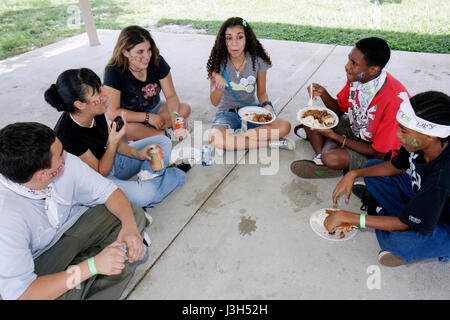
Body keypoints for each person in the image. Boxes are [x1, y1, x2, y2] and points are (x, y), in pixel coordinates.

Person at [0, 122, 148, 299]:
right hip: (38, 263)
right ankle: (96, 272)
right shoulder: (6, 217)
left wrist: (130, 227)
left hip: (72, 230)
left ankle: (93, 271)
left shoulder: (65, 162)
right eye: (60, 155)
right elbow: (22, 294)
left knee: (131, 213)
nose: (66, 155)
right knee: (69, 288)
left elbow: (109, 192)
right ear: (42, 175)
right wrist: (91, 267)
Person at [327, 91, 450, 267]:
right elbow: (395, 167)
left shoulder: (442, 177)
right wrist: (354, 173)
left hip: (444, 222)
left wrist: (351, 218)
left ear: (429, 135)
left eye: (404, 131)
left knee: (400, 242)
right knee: (371, 168)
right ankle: (390, 217)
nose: (399, 136)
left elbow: (402, 224)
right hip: (426, 200)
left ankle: (385, 217)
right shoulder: (417, 143)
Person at [45, 68, 187, 210]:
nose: (105, 94)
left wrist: (137, 153)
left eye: (101, 88)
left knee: (162, 142)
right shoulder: (67, 136)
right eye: (98, 93)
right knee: (146, 194)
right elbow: (100, 173)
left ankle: (149, 182)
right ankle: (172, 175)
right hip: (98, 180)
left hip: (113, 160)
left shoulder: (95, 110)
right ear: (80, 104)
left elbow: (113, 142)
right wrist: (113, 144)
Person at [291, 37, 407, 178]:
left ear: (373, 69)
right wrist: (323, 93)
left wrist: (336, 137)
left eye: (354, 63)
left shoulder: (394, 101)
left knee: (332, 158)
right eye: (349, 60)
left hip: (378, 153)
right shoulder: (359, 78)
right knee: (310, 118)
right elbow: (339, 111)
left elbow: (380, 152)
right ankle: (322, 157)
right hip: (356, 129)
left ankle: (327, 157)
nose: (347, 66)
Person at [206, 17, 294, 151]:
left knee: (285, 126)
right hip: (227, 113)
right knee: (215, 137)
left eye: (239, 37)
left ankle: (236, 139)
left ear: (247, 39)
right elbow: (214, 102)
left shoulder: (257, 62)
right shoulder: (219, 63)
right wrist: (219, 86)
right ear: (223, 41)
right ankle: (269, 143)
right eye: (229, 38)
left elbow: (262, 93)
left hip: (252, 112)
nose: (234, 43)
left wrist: (266, 106)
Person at [103, 25, 191, 141]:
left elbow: (171, 95)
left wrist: (174, 117)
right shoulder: (113, 71)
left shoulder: (157, 60)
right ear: (125, 52)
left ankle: (152, 132)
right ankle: (162, 134)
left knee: (184, 108)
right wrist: (147, 117)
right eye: (140, 52)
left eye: (149, 49)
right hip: (131, 117)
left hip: (155, 108)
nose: (147, 56)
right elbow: (112, 113)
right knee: (122, 129)